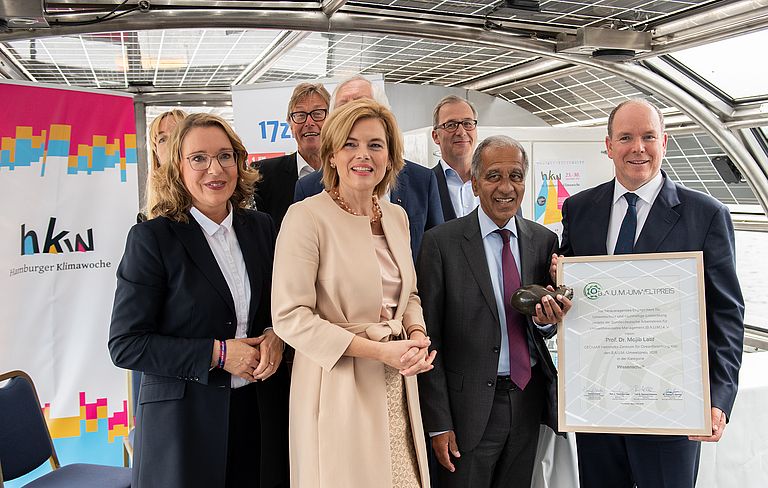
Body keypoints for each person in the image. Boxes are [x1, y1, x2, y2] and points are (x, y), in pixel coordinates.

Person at [555, 99, 744, 488]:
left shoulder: (706, 214)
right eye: (625, 137)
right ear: (608, 145)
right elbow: (570, 302)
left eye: (648, 137)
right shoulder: (579, 209)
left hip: (671, 404)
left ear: (664, 142)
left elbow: (726, 314)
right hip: (598, 404)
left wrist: (719, 399)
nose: (637, 148)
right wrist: (559, 292)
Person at [109, 113, 289, 488]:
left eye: (225, 156)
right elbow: (126, 344)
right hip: (185, 424)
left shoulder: (261, 228)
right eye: (199, 158)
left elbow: (279, 306)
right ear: (178, 166)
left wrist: (276, 334)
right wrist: (219, 354)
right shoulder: (152, 239)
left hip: (259, 414)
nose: (215, 169)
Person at [273, 99, 436, 487]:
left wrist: (415, 337)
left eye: (375, 145)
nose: (363, 155)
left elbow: (408, 296)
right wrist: (380, 351)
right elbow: (289, 317)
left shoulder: (396, 217)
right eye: (349, 144)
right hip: (336, 385)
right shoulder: (306, 216)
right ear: (331, 155)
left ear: (391, 157)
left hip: (398, 381)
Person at [417, 135, 571, 488]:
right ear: (474, 183)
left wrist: (547, 324)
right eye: (493, 176)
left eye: (515, 176)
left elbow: (541, 328)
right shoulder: (440, 244)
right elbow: (429, 338)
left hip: (527, 401)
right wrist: (439, 422)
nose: (506, 187)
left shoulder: (542, 241)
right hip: (466, 408)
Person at [293, 75, 444, 259]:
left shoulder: (421, 183)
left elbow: (435, 257)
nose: (352, 114)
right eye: (343, 107)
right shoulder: (307, 195)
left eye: (361, 105)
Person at [255, 82, 330, 229]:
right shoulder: (263, 175)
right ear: (290, 124)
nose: (309, 122)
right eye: (300, 115)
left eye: (318, 114)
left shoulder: (350, 173)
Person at [431, 95, 480, 221]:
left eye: (468, 123)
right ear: (436, 136)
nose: (461, 132)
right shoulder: (423, 187)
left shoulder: (495, 183)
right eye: (451, 125)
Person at [142, 109, 187, 222]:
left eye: (178, 134)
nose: (171, 143)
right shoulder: (149, 227)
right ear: (156, 152)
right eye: (162, 139)